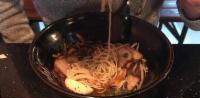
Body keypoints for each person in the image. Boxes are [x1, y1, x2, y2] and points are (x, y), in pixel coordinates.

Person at [0, 0, 199, 43]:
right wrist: (20, 43)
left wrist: (193, 9)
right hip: (65, 43)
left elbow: (195, 21)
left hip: (141, 44)